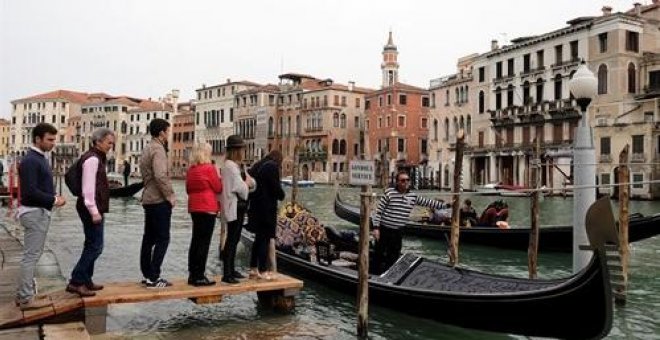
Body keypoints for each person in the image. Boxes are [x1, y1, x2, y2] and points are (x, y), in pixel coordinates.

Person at [15, 123, 66, 310]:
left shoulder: (39, 159)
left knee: (32, 255)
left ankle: (24, 295)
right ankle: (25, 298)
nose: (53, 143)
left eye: (54, 139)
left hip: (37, 212)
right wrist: (54, 199)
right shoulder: (31, 161)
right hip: (34, 213)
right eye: (50, 139)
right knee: (31, 257)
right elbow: (29, 193)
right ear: (37, 139)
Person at [66, 128, 114, 297]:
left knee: (91, 244)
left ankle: (86, 279)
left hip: (91, 207)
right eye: (109, 142)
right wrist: (94, 211)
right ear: (98, 142)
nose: (111, 146)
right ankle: (76, 281)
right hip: (90, 207)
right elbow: (88, 189)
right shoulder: (92, 160)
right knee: (96, 246)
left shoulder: (95, 158)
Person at [371, 170, 448, 274]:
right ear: (397, 182)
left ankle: (388, 275)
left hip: (398, 231)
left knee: (394, 255)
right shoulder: (389, 193)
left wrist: (446, 205)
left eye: (407, 180)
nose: (406, 182)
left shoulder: (412, 196)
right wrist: (376, 228)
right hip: (384, 229)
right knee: (378, 253)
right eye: (403, 180)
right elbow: (378, 212)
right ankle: (373, 274)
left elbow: (428, 202)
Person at [139, 118, 175, 288]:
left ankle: (147, 274)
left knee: (148, 238)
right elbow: (160, 175)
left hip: (148, 198)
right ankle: (154, 276)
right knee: (163, 238)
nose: (169, 134)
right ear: (161, 132)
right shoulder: (158, 149)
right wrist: (170, 196)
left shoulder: (147, 148)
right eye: (168, 131)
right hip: (158, 200)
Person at [219, 135, 256, 284]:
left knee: (234, 239)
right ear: (236, 150)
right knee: (232, 240)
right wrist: (247, 184)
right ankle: (227, 274)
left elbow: (251, 182)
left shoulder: (238, 166)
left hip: (239, 207)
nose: (243, 151)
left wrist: (248, 183)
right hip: (234, 207)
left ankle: (231, 270)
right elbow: (241, 187)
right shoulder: (230, 166)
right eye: (242, 149)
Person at [185, 142, 222, 286]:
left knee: (195, 241)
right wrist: (219, 176)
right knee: (204, 243)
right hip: (207, 207)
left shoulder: (191, 170)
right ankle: (200, 275)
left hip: (194, 207)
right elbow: (218, 188)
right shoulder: (209, 168)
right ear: (206, 154)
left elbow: (188, 189)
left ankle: (192, 274)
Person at [247, 150, 285, 280]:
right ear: (278, 160)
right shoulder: (272, 167)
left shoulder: (258, 165)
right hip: (266, 209)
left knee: (258, 238)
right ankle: (263, 270)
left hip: (255, 207)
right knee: (265, 239)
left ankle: (253, 268)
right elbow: (276, 188)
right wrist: (282, 195)